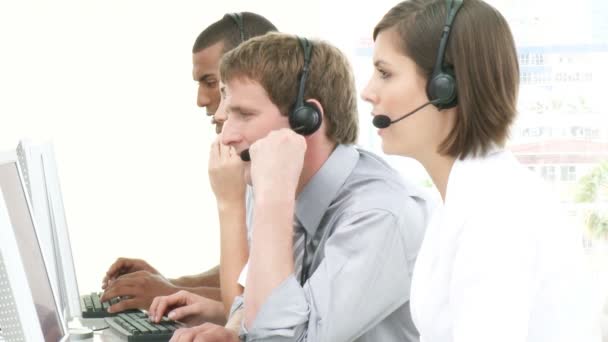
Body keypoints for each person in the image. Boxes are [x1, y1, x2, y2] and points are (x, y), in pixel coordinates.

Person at [150, 32, 434, 342]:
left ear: (307, 121)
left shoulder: (379, 214)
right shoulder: (292, 193)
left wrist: (273, 200)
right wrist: (231, 333)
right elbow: (254, 308)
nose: (226, 135)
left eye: (244, 114)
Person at [361, 0, 600, 341]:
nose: (368, 92)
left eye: (385, 73)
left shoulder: (495, 213)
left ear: (445, 89)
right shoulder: (465, 196)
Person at [100, 13, 278, 321]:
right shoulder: (252, 163)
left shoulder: (286, 178)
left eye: (211, 83)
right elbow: (250, 270)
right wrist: (173, 284)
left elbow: (267, 304)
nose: (200, 100)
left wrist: (166, 292)